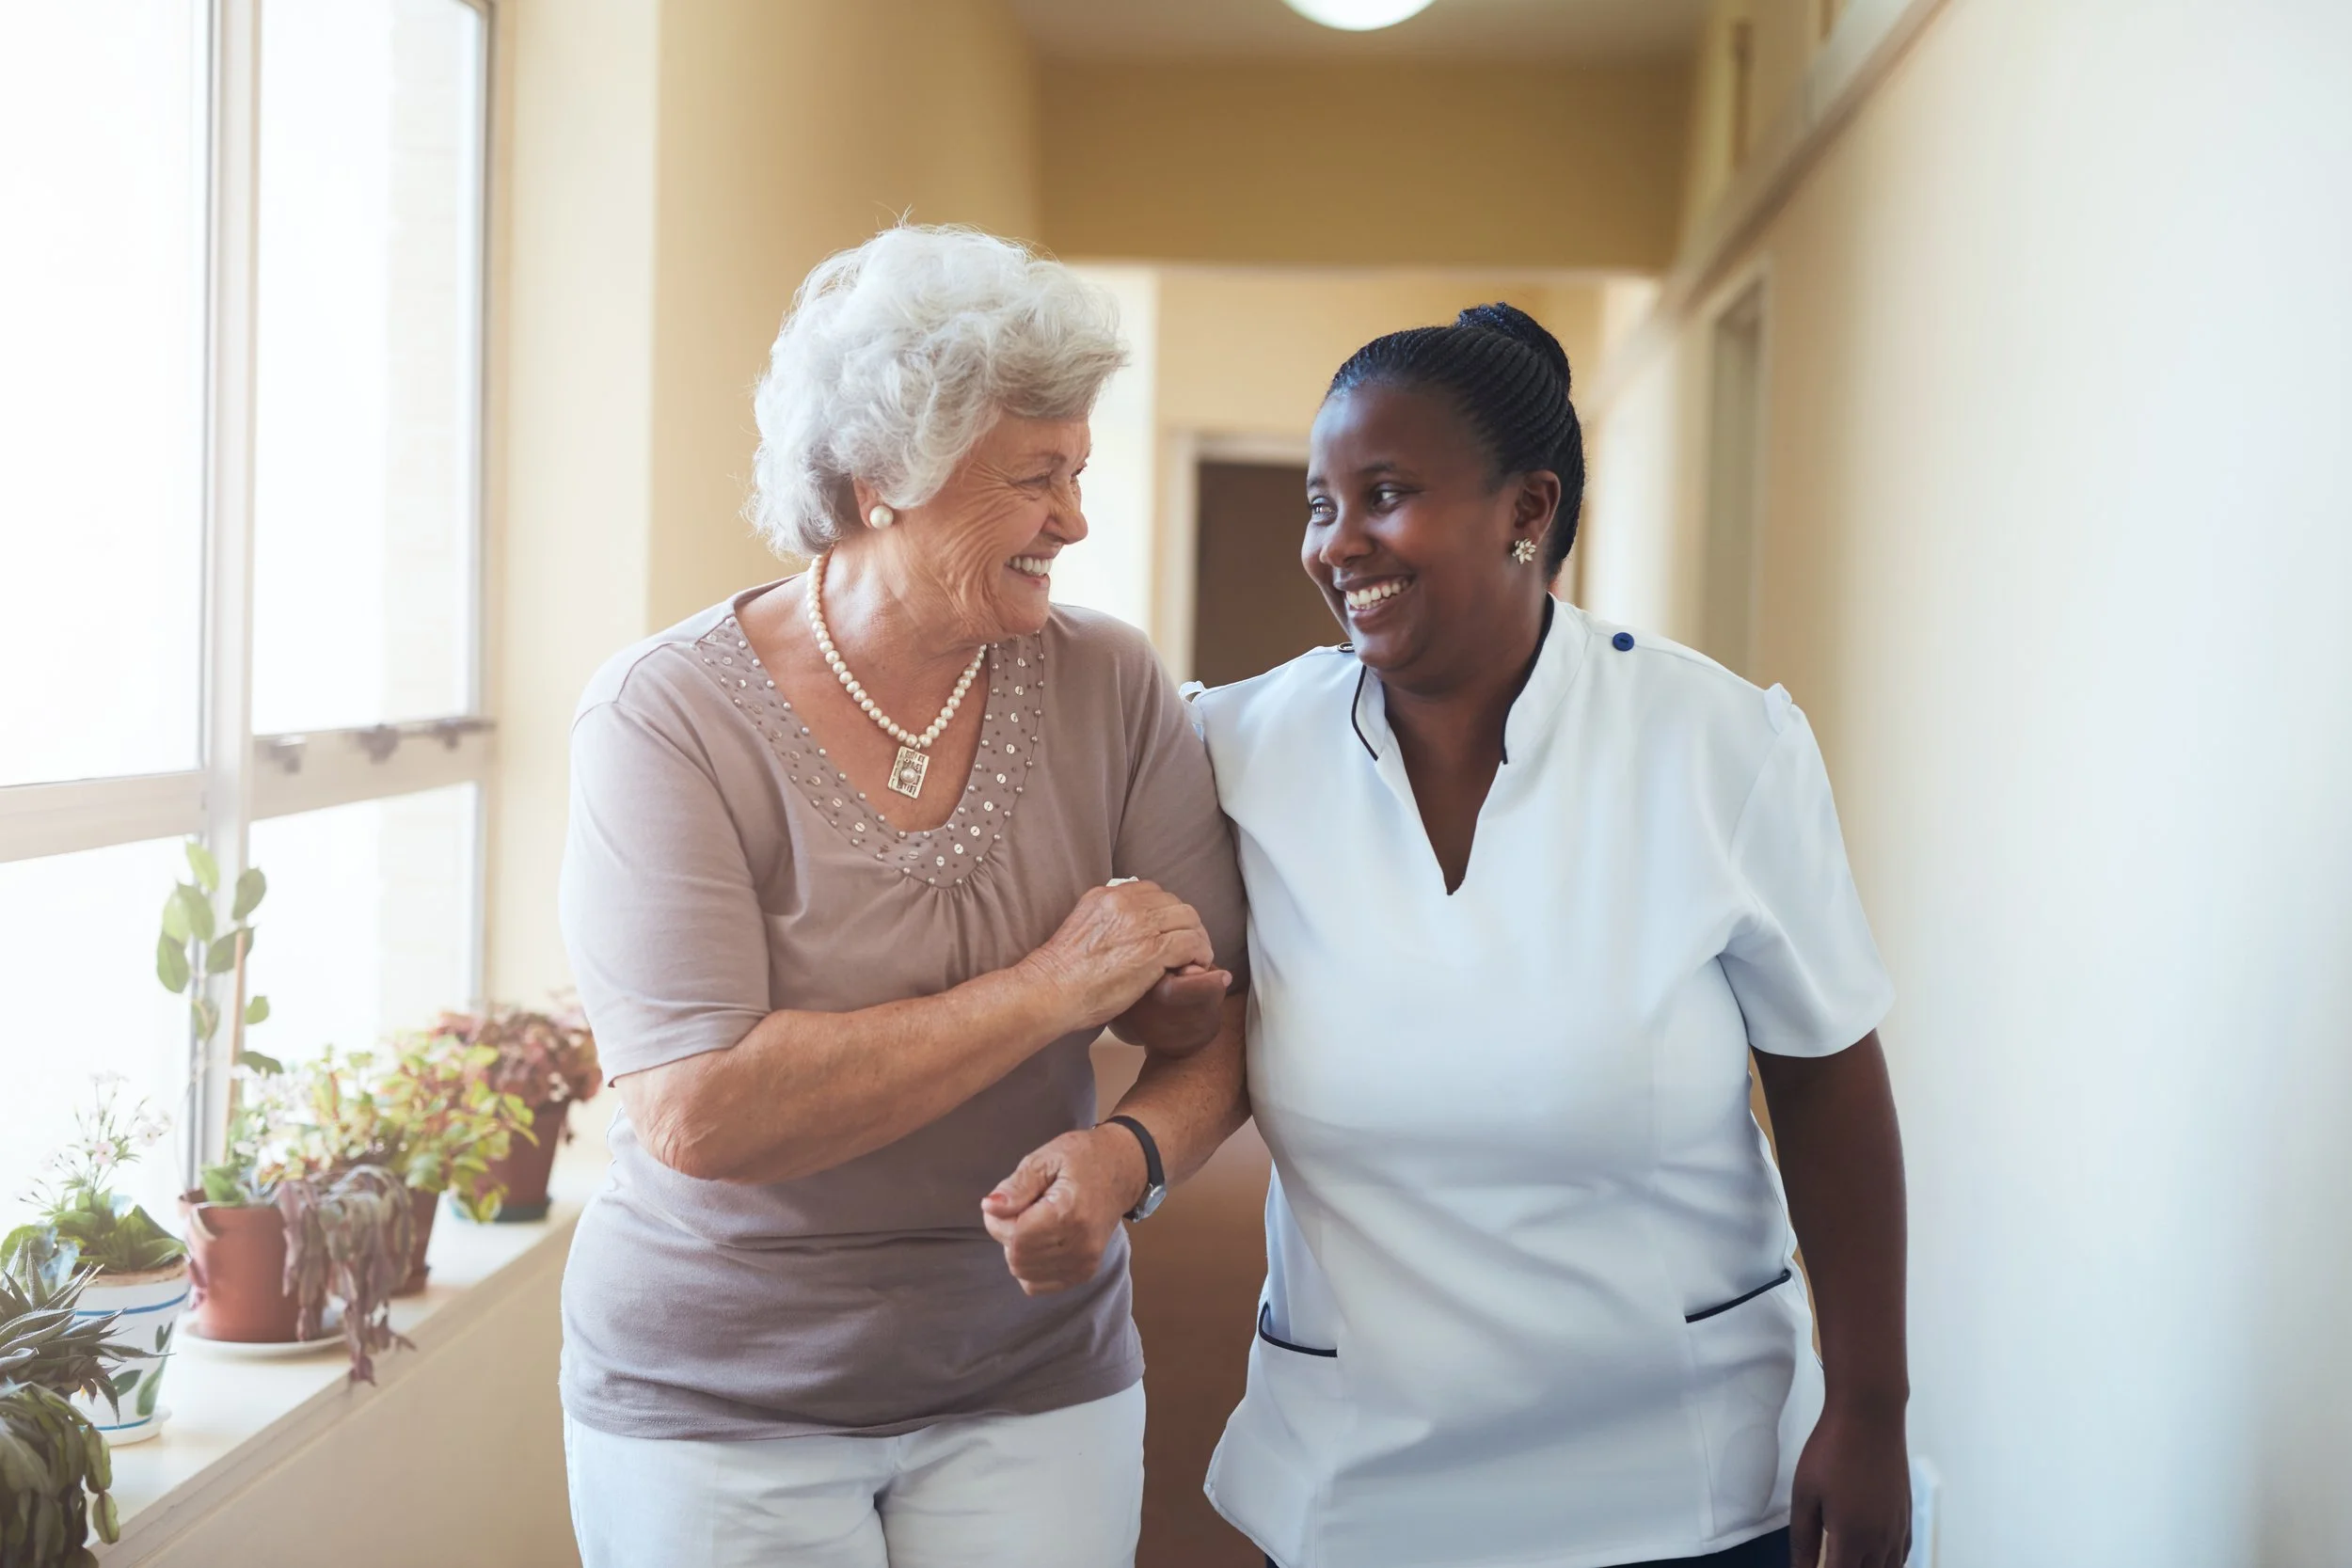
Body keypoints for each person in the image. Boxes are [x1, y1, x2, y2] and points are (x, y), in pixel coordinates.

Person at [992, 304, 1912, 1568]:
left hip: (1684, 1477)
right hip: (1362, 1482)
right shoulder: (1236, 748)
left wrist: (1870, 1407)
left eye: (1386, 493)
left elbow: (1827, 1080)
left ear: (1528, 510)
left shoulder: (1715, 745)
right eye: (1321, 503)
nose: (1337, 543)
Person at [555, 225, 1247, 1568]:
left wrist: (1128, 1151)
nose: (1077, 520)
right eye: (1036, 476)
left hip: (1035, 1371)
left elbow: (1211, 1024)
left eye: (1081, 471)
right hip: (717, 1400)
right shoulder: (665, 716)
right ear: (883, 478)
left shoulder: (1111, 683)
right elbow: (701, 1108)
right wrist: (1054, 989)